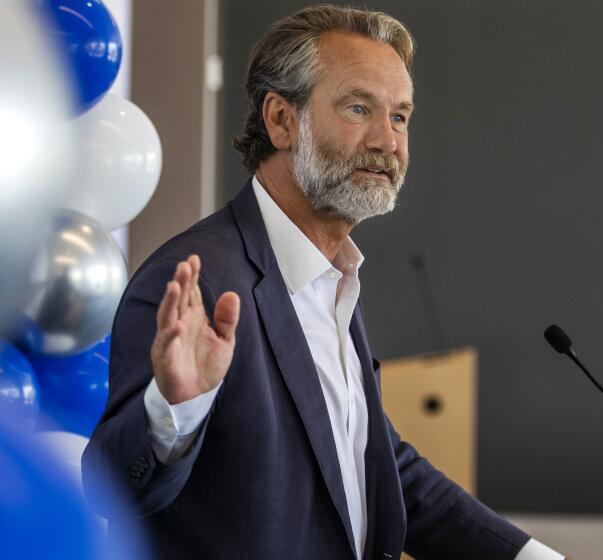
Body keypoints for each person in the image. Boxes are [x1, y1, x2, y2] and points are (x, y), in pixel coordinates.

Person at [82, 5, 566, 559]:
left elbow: (370, 458)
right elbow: (111, 492)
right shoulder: (197, 279)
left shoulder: (335, 275)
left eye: (401, 117)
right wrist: (172, 410)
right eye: (359, 108)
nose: (388, 140)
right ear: (281, 120)